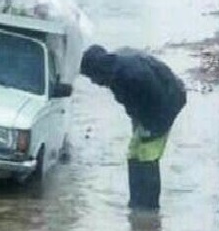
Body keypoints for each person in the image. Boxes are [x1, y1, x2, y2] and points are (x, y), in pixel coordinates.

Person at [80, 44, 187, 210]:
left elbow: (154, 98)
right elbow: (131, 103)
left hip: (166, 105)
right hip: (152, 105)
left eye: (92, 77)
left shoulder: (131, 75)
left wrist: (149, 127)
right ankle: (136, 202)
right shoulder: (114, 73)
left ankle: (149, 208)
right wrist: (137, 122)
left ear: (97, 69)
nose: (94, 82)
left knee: (148, 156)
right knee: (134, 154)